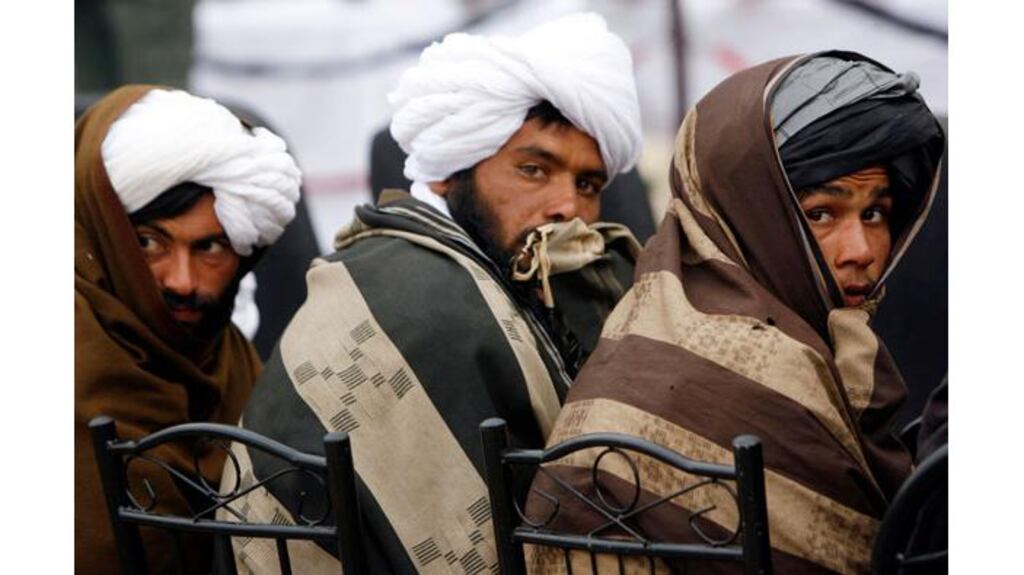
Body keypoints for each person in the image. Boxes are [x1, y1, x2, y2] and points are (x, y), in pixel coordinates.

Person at [224, 13, 643, 572]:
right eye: (534, 170)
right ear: (450, 171)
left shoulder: (512, 278)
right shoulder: (425, 294)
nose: (568, 206)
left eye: (587, 184)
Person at [524, 51, 944, 573]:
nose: (860, 249)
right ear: (745, 214)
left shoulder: (840, 352)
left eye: (875, 213)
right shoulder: (698, 377)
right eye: (820, 214)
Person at [75, 85, 302, 574]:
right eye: (148, 242)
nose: (182, 281)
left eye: (210, 248)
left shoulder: (230, 361)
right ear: (104, 233)